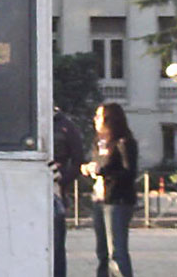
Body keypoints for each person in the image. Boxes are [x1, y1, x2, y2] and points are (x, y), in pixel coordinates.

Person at [81, 103, 138, 277]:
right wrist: (88, 168)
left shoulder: (124, 142)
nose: (95, 120)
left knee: (117, 251)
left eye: (99, 116)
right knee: (102, 252)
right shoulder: (99, 143)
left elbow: (129, 172)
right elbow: (98, 166)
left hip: (117, 200)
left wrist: (103, 171)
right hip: (99, 199)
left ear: (110, 119)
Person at [52, 107, 84, 277]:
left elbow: (78, 159)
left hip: (56, 190)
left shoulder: (65, 125)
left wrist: (63, 180)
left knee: (57, 243)